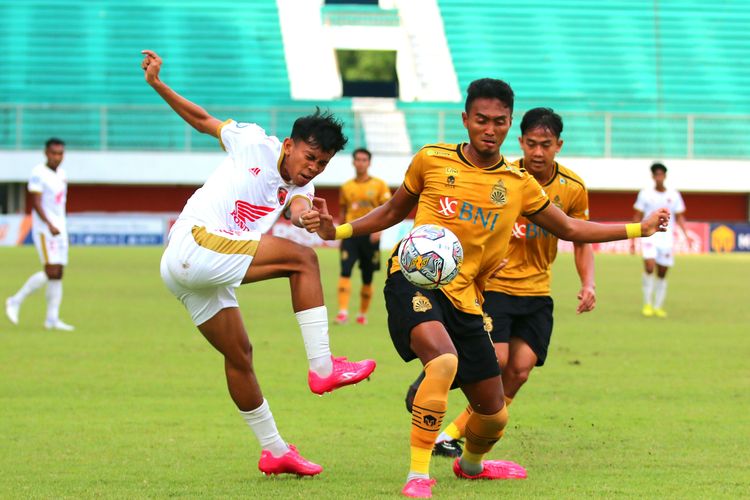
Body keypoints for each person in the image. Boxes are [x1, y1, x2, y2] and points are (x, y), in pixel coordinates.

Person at [305, 79, 669, 498]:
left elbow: (569, 227)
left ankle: (472, 465)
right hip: (413, 279)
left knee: (494, 416)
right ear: (465, 119)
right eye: (481, 120)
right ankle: (417, 474)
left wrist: (637, 228)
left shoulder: (518, 184)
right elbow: (392, 211)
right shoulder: (432, 159)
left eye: (499, 121)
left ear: (509, 123)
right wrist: (341, 229)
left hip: (467, 299)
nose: (489, 129)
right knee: (442, 362)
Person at [140, 50, 376, 477]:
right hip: (195, 245)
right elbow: (202, 119)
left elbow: (298, 204)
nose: (312, 168)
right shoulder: (253, 140)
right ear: (288, 145)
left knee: (240, 355)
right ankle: (323, 367)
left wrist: (307, 215)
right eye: (309, 157)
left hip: (196, 270)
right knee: (303, 260)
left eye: (322, 164)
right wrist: (158, 85)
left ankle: (274, 450)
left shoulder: (302, 181)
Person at [413, 108, 597, 458]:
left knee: (521, 369)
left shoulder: (573, 189)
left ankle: (450, 434)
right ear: (521, 141)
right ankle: (438, 376)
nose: (538, 152)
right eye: (531, 144)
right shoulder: (504, 179)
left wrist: (588, 282)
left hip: (537, 292)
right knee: (496, 359)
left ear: (559, 145)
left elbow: (580, 239)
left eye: (546, 145)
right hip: (496, 287)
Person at [5, 138, 74, 331]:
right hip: (45, 229)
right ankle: (15, 300)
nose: (57, 157)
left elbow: (60, 204)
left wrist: (61, 225)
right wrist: (49, 224)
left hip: (60, 228)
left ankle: (52, 319)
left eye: (60, 153)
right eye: (53, 153)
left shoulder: (62, 174)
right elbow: (36, 202)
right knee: (51, 270)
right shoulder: (38, 173)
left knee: (58, 273)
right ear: (46, 153)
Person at [335, 147, 391, 325]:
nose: (360, 163)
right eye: (357, 159)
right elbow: (343, 211)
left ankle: (362, 314)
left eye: (364, 160)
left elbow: (387, 210)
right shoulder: (346, 187)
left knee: (367, 276)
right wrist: (339, 234)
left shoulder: (379, 185)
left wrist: (378, 230)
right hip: (351, 234)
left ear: (369, 162)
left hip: (370, 236)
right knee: (345, 271)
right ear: (353, 162)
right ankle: (343, 312)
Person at [632, 162, 690, 318]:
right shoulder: (645, 193)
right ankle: (647, 304)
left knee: (662, 272)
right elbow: (637, 215)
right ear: (652, 176)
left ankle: (658, 306)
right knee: (649, 267)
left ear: (665, 176)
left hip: (666, 238)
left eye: (661, 174)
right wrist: (632, 238)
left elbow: (679, 216)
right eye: (656, 174)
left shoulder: (674, 194)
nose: (658, 177)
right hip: (649, 236)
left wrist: (686, 235)